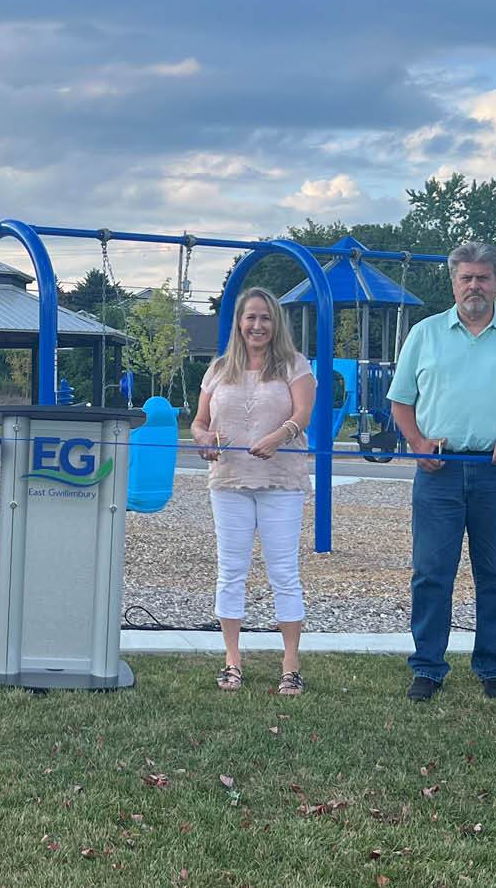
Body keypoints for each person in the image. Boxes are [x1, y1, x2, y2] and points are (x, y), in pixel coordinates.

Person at [387, 241, 496, 703]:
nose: (474, 286)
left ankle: (493, 669)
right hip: (438, 469)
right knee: (430, 573)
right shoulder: (425, 334)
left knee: (495, 573)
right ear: (453, 282)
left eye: (483, 278)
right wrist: (417, 442)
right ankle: (427, 667)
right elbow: (401, 401)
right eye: (466, 278)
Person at [190, 286, 314, 696]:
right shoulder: (219, 367)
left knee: (283, 571)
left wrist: (279, 436)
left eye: (265, 318)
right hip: (228, 481)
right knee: (231, 571)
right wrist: (203, 437)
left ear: (275, 323)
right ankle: (232, 661)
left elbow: (303, 414)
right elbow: (199, 420)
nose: (257, 325)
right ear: (239, 324)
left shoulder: (294, 365)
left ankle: (291, 664)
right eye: (250, 318)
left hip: (282, 481)